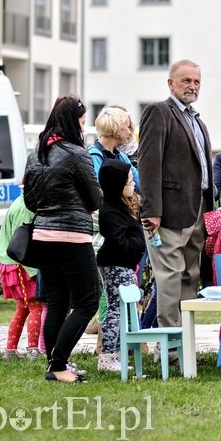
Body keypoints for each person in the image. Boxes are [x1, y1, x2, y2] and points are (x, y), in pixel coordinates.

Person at [139, 59, 214, 364]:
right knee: (169, 279)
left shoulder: (197, 120)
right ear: (171, 83)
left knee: (189, 278)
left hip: (196, 211)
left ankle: (184, 344)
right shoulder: (159, 112)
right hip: (168, 213)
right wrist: (152, 210)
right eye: (186, 81)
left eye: (196, 81)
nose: (192, 86)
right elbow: (149, 163)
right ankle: (167, 350)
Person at [24, 95, 103, 383]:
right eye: (82, 122)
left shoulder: (36, 154)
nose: (83, 129)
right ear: (73, 122)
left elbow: (30, 201)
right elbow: (95, 196)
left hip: (42, 236)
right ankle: (58, 364)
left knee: (57, 301)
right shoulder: (77, 153)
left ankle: (55, 366)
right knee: (87, 301)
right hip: (71, 237)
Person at [96, 160, 146, 373]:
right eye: (128, 181)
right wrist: (137, 239)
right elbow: (120, 242)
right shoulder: (110, 212)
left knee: (122, 309)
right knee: (116, 310)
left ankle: (115, 352)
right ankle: (107, 356)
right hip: (116, 265)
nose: (133, 184)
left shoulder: (122, 208)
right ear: (116, 184)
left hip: (124, 265)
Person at [0, 195, 43, 361]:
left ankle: (10, 349)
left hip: (10, 264)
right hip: (21, 265)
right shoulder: (27, 208)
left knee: (22, 309)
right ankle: (33, 349)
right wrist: (33, 272)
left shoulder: (18, 202)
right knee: (36, 307)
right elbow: (23, 244)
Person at [90, 106, 140, 192]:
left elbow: (140, 184)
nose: (129, 131)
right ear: (117, 130)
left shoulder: (121, 156)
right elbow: (97, 191)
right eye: (128, 127)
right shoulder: (94, 156)